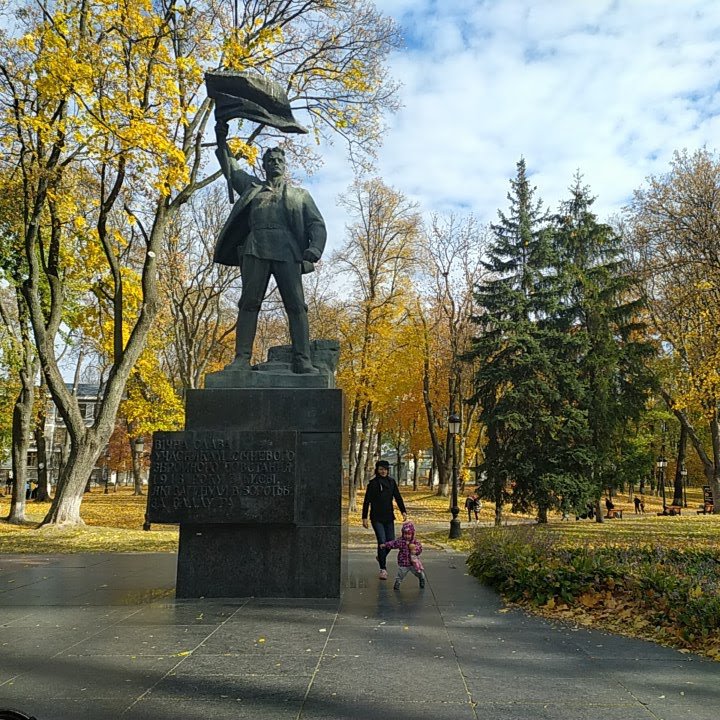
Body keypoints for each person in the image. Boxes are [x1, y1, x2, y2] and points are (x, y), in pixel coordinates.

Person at [213, 145, 327, 374]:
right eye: (271, 160)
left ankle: (303, 360)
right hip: (256, 248)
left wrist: (315, 248)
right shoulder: (252, 188)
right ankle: (241, 360)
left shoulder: (300, 195)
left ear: (285, 166)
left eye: (279, 160)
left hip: (288, 250)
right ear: (264, 166)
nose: (275, 163)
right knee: (248, 303)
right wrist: (222, 138)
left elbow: (317, 224)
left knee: (296, 306)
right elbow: (232, 170)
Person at [362, 460, 407, 580]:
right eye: (381, 469)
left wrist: (403, 511)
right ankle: (383, 569)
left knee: (390, 542)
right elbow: (367, 501)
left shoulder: (391, 482)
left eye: (385, 469)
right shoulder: (373, 483)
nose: (383, 471)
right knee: (382, 542)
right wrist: (364, 518)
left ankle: (380, 556)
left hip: (389, 517)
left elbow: (398, 497)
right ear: (377, 470)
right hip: (376, 517)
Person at [381, 520, 426, 590]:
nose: (407, 536)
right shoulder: (401, 541)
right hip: (403, 562)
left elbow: (419, 549)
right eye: (405, 534)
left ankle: (422, 579)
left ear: (412, 534)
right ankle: (397, 583)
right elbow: (393, 543)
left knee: (418, 573)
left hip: (413, 563)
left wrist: (415, 550)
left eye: (409, 534)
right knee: (400, 574)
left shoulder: (415, 542)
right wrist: (385, 545)